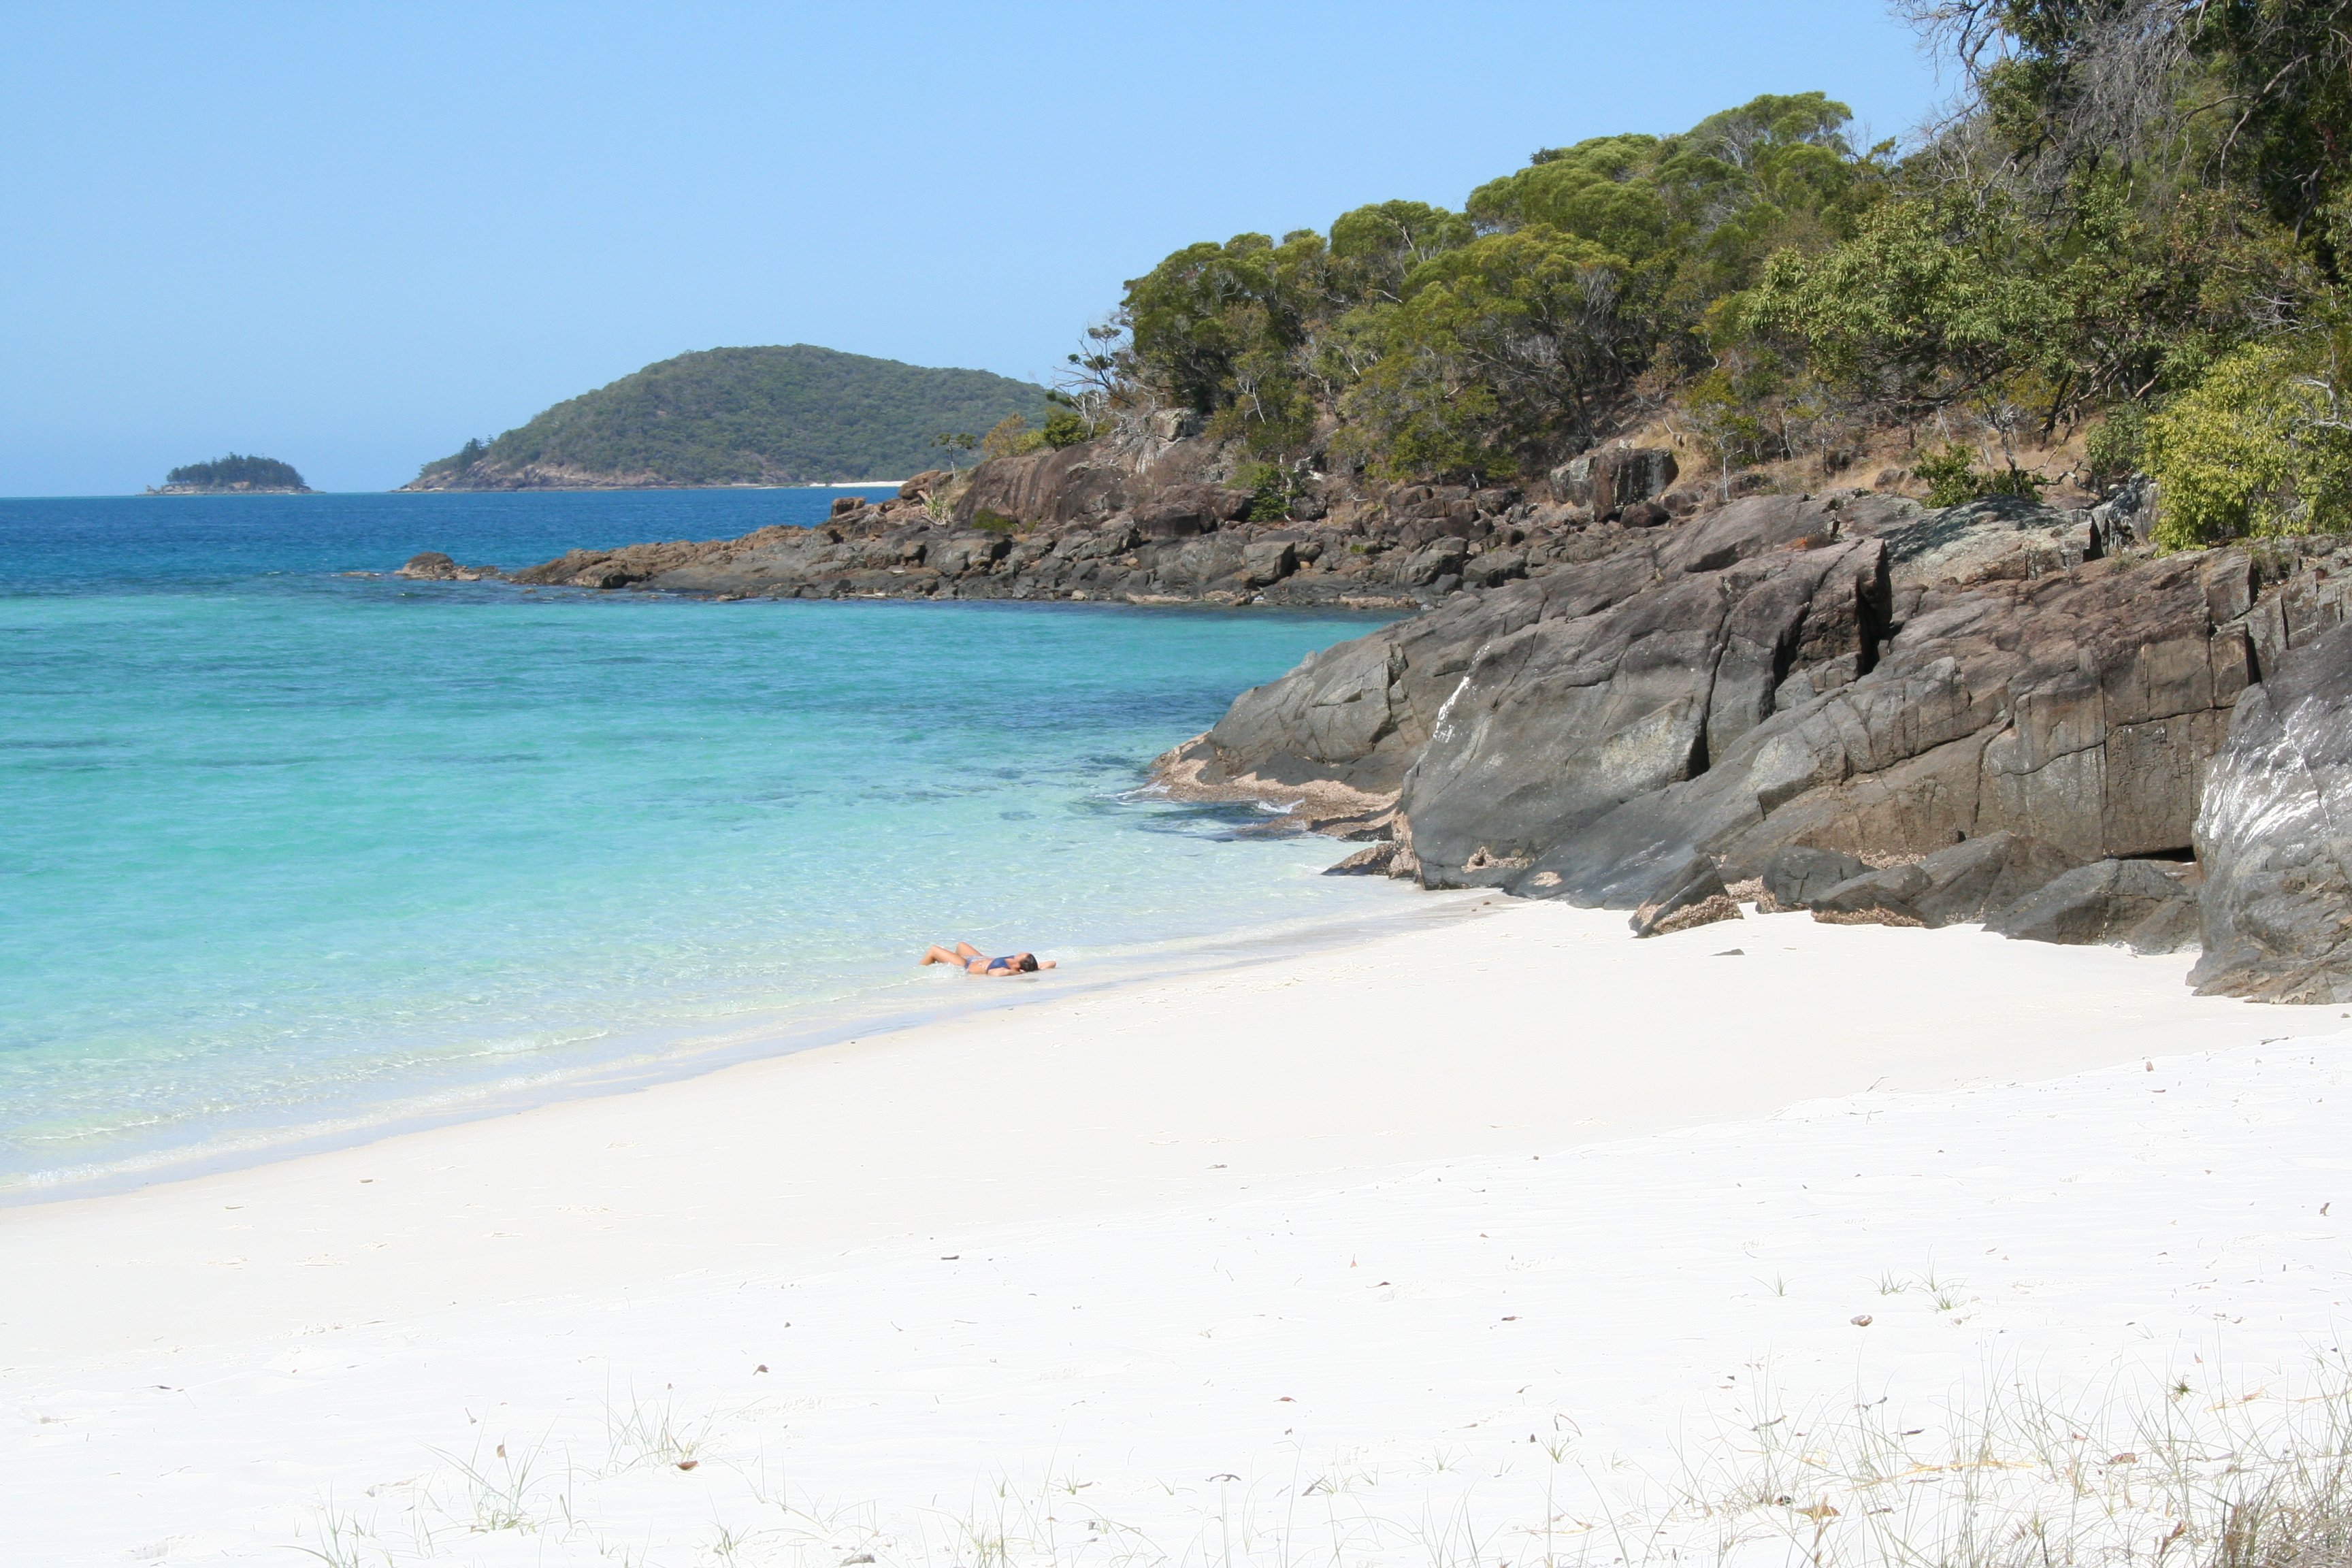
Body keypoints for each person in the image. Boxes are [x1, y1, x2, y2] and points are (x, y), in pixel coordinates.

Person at [918, 941, 1055, 976]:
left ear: (1019, 965)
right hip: (978, 958)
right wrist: (1032, 970)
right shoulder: (1022, 967)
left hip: (966, 965)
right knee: (961, 945)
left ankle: (919, 972)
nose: (1019, 953)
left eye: (1020, 955)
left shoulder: (1003, 969)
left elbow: (997, 974)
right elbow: (1052, 963)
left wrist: (1016, 973)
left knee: (933, 950)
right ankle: (948, 965)